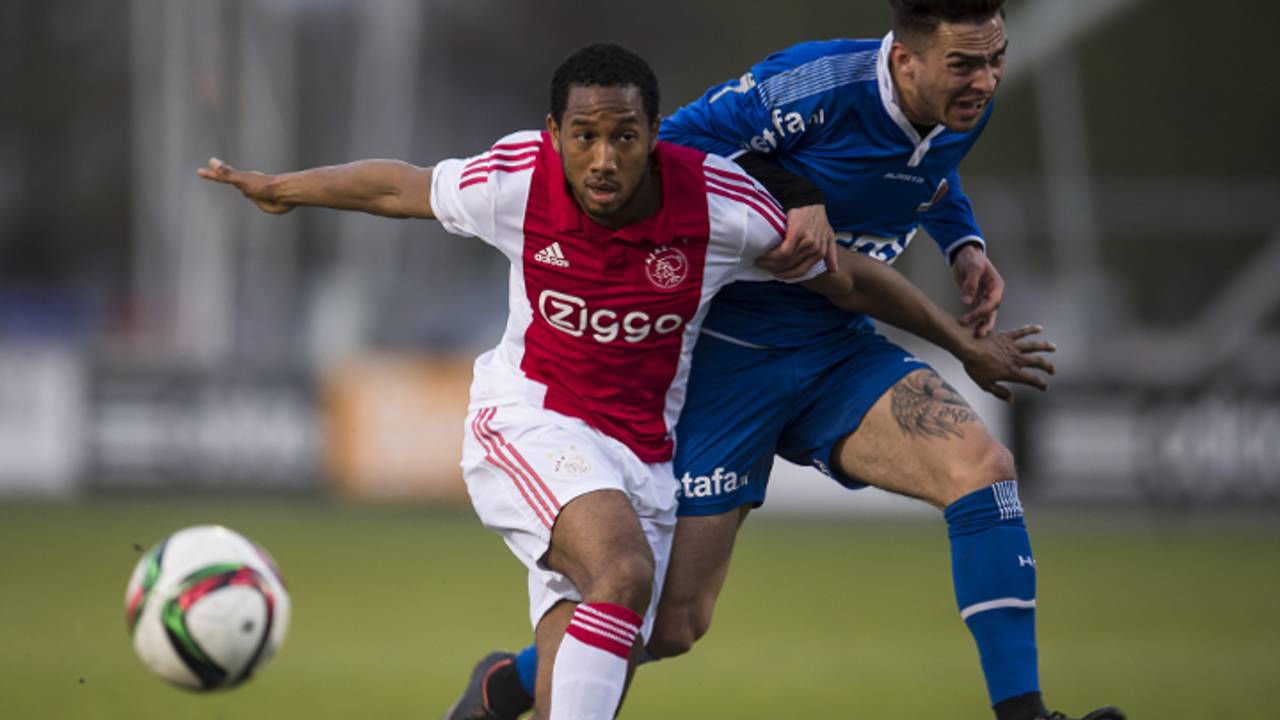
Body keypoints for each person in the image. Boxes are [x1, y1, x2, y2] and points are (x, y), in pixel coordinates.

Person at [199, 42, 1039, 720]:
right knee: (624, 578)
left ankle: (500, 688)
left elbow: (846, 275)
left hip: (643, 451)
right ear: (555, 133)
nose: (604, 160)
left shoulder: (716, 205)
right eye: (585, 137)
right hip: (529, 420)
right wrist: (282, 189)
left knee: (653, 625)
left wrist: (958, 343)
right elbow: (399, 185)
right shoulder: (516, 183)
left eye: (625, 137)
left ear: (654, 134)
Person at [449, 3, 1124, 720]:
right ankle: (508, 684)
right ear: (906, 60)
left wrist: (963, 244)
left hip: (837, 349)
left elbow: (927, 171)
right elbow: (670, 143)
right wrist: (796, 195)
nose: (985, 82)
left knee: (981, 469)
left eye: (996, 60)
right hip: (724, 362)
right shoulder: (816, 85)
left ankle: (1025, 715)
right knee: (671, 623)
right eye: (964, 64)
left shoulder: (960, 102)